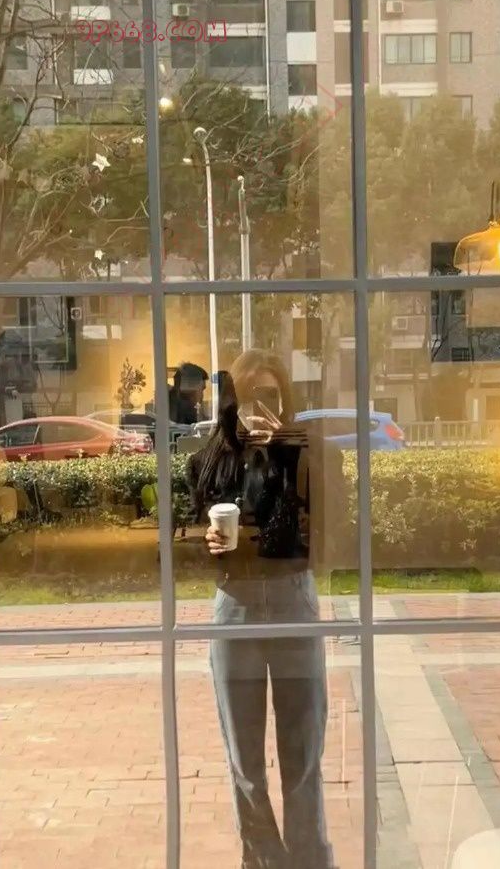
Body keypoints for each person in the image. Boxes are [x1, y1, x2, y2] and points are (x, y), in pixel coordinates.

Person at [186, 349, 344, 869]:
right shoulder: (209, 459)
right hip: (235, 604)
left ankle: (309, 859)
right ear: (231, 400)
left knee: (303, 752)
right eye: (249, 394)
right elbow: (185, 538)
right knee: (244, 759)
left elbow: (334, 523)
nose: (260, 405)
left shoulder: (305, 452)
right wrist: (205, 542)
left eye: (271, 394)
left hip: (294, 597)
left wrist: (290, 452)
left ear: (286, 398)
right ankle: (264, 860)